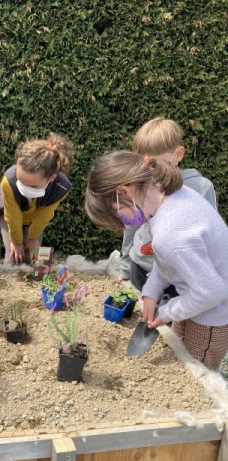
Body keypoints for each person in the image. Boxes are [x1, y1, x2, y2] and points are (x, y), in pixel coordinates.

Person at [85, 150, 228, 372]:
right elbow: (169, 262)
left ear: (123, 191)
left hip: (212, 315)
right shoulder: (176, 198)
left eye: (118, 211)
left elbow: (212, 292)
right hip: (195, 299)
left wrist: (167, 312)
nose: (124, 220)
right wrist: (151, 291)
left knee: (196, 374)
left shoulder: (169, 232)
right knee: (179, 354)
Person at [120, 117, 217, 289]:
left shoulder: (201, 188)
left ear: (179, 154)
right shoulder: (139, 185)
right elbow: (131, 226)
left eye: (158, 164)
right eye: (146, 164)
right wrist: (126, 267)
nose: (152, 171)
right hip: (141, 267)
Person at [0, 132, 74, 264]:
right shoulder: (8, 181)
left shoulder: (61, 188)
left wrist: (32, 238)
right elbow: (12, 216)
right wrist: (16, 242)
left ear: (51, 178)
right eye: (20, 180)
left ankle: (38, 276)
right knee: (14, 257)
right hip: (10, 215)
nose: (24, 188)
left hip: (35, 217)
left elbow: (44, 216)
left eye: (33, 186)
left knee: (33, 256)